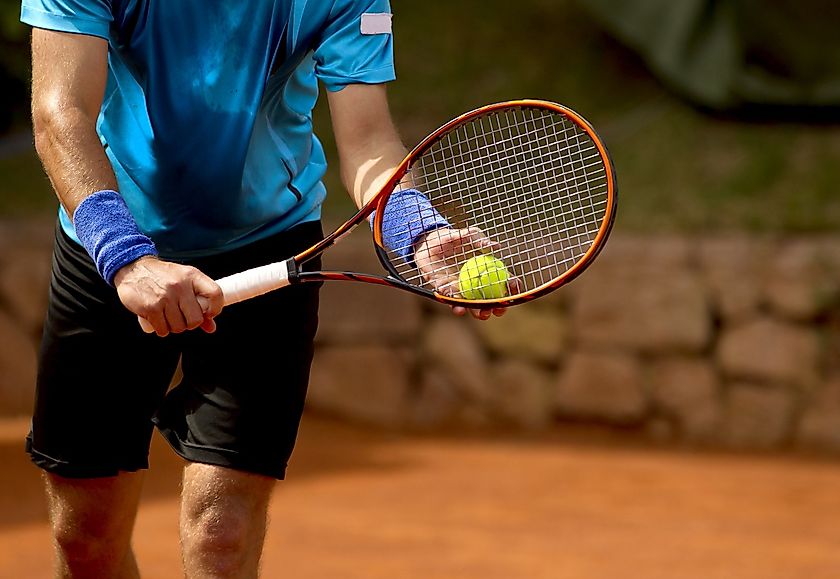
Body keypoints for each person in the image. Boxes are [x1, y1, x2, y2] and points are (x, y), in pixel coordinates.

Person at [22, 1, 506, 577]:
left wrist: (418, 233)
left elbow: (370, 143)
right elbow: (60, 112)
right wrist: (127, 259)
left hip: (270, 243)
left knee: (221, 536)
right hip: (106, 244)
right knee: (84, 537)